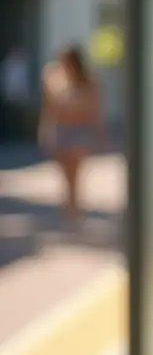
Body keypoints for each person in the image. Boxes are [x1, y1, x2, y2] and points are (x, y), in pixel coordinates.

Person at [38, 45, 106, 224]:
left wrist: (100, 133)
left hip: (79, 130)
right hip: (62, 130)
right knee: (65, 172)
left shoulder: (89, 81)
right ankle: (69, 204)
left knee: (76, 170)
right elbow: (49, 109)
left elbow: (95, 110)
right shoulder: (53, 78)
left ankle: (74, 207)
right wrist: (45, 131)